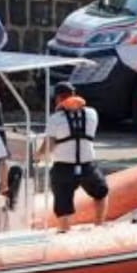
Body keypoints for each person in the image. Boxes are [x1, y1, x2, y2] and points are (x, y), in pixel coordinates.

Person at [43, 82, 108, 233]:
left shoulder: (55, 119)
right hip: (87, 166)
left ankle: (65, 231)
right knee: (101, 193)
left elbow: (49, 147)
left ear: (58, 99)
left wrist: (36, 156)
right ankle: (99, 226)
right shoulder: (92, 113)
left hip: (63, 168)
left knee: (63, 204)